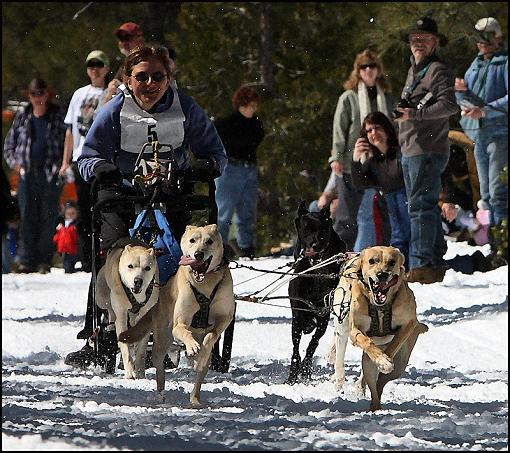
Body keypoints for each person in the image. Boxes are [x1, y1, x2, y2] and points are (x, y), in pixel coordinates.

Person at [64, 44, 227, 369]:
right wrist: (100, 168)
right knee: (112, 253)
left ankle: (187, 322)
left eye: (158, 77)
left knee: (190, 253)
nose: (150, 84)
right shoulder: (114, 110)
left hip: (174, 194)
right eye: (142, 77)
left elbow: (217, 154)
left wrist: (204, 166)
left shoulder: (186, 109)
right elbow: (87, 155)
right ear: (128, 78)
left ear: (168, 78)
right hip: (124, 194)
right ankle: (105, 329)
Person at [396, 17, 459, 284]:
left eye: (424, 39)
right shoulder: (415, 70)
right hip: (413, 148)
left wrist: (415, 114)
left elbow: (449, 105)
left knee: (420, 207)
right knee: (424, 205)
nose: (418, 44)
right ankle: (432, 260)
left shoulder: (437, 70)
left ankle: (422, 265)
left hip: (428, 148)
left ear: (435, 43)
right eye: (414, 39)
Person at [454, 17, 508, 266]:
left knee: (498, 193)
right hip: (478, 134)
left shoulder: (504, 63)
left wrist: (486, 111)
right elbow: (469, 98)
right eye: (478, 40)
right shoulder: (474, 66)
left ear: (497, 37)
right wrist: (460, 94)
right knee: (485, 195)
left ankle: (502, 245)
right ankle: (493, 245)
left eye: (486, 38)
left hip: (499, 133)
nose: (482, 45)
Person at [328, 49, 394, 252]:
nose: (368, 70)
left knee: (374, 214)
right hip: (351, 162)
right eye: (364, 67)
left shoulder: (387, 97)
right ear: (358, 71)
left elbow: (392, 128)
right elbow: (339, 128)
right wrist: (336, 157)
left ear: (378, 69)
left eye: (372, 66)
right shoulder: (349, 97)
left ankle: (372, 253)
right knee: (346, 215)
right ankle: (339, 256)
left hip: (379, 163)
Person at [3, 78, 66, 274]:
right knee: (27, 215)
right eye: (33, 94)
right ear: (28, 96)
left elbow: (67, 141)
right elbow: (9, 144)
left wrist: (62, 165)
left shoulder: (57, 116)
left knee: (48, 216)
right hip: (27, 172)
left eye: (41, 93)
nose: (37, 97)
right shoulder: (23, 115)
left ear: (47, 94)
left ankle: (44, 260)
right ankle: (26, 260)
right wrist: (16, 164)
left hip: (49, 172)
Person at [59, 50, 111, 272]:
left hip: (103, 159)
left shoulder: (112, 93)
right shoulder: (79, 94)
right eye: (91, 64)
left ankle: (105, 256)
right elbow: (70, 130)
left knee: (105, 209)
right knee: (84, 210)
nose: (95, 68)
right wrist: (65, 161)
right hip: (81, 159)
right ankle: (87, 257)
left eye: (99, 64)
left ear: (107, 68)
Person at [351, 112, 411, 270]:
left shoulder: (402, 151)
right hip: (394, 218)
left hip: (409, 210)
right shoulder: (374, 162)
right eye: (368, 131)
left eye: (377, 128)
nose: (373, 133)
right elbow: (360, 183)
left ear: (387, 129)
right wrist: (356, 160)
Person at [214, 85, 265, 259]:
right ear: (243, 104)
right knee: (224, 212)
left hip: (249, 169)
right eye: (251, 105)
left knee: (247, 211)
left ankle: (246, 247)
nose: (254, 108)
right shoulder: (227, 124)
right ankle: (219, 247)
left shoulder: (255, 124)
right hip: (230, 169)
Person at [102, 22, 145, 104]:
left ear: (139, 39)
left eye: (127, 37)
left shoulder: (148, 63)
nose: (123, 42)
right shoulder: (124, 66)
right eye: (120, 38)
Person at [53, 201, 79, 273]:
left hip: (72, 249)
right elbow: (57, 237)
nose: (70, 215)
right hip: (63, 249)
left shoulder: (75, 225)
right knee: (66, 263)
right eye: (68, 213)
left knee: (69, 263)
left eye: (73, 213)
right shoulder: (62, 225)